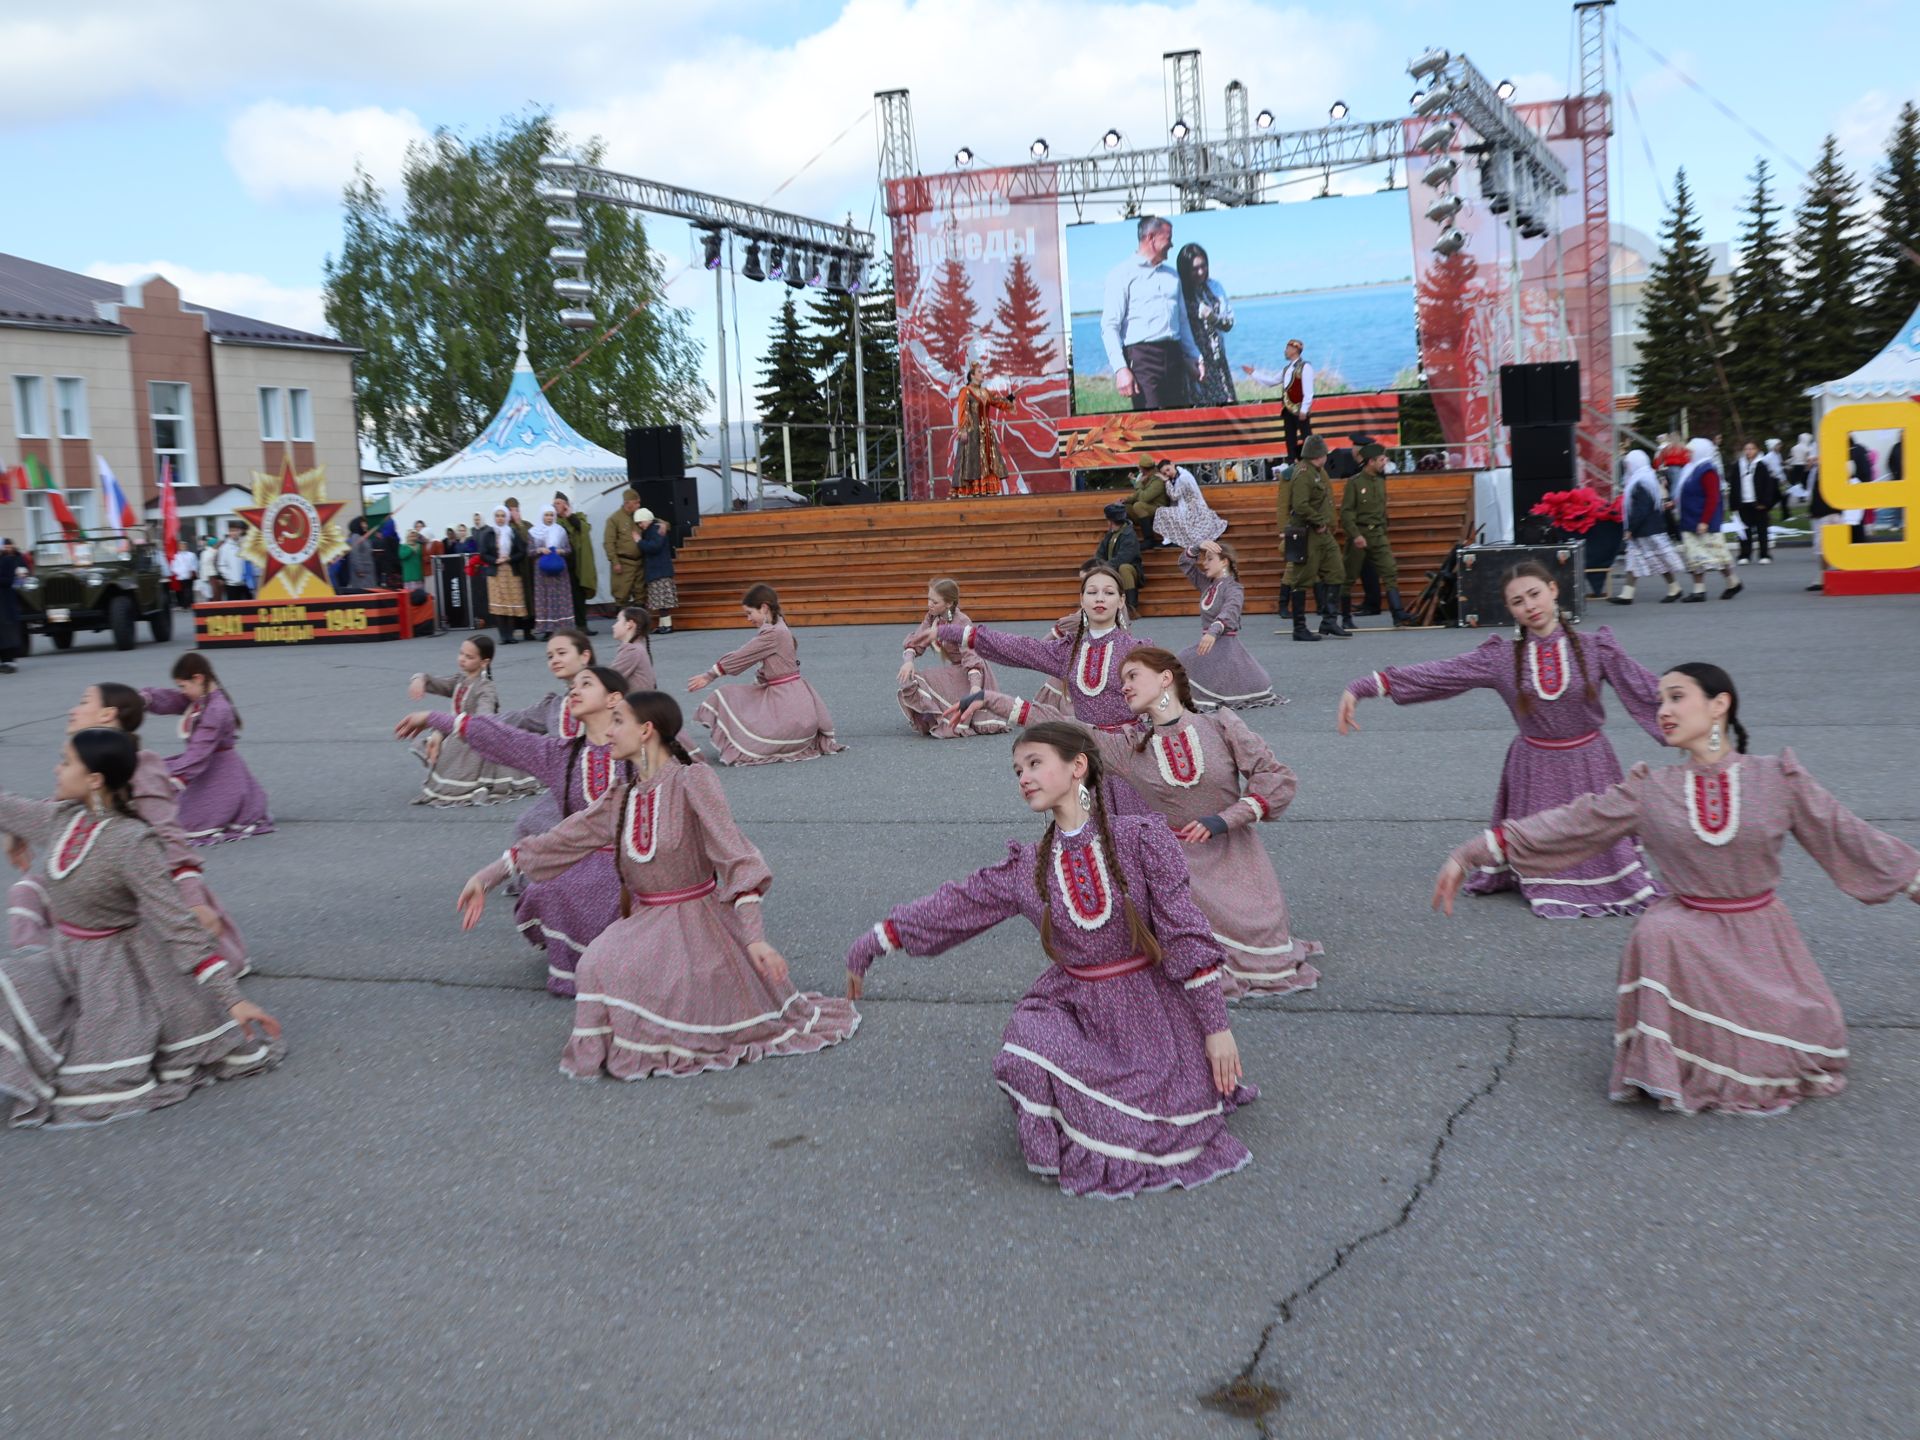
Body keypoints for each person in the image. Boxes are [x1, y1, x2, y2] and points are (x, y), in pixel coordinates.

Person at [1434, 662, 1920, 1116]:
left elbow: (1845, 833)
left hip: (1761, 936)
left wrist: (1912, 880)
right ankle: (1673, 1054)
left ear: (1719, 704)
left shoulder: (1777, 778)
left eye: (1676, 697)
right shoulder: (1651, 788)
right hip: (1688, 932)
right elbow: (1572, 823)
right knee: (1660, 930)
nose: (1662, 710)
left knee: (1801, 1040)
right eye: (1658, 700)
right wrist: (1473, 852)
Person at [844, 720, 1253, 1198]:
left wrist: (1217, 1030)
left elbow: (1185, 935)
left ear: (1078, 765)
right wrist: (875, 940)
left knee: (1156, 1118)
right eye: (1017, 770)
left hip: (1150, 1014)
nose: (1023, 777)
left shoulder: (1140, 839)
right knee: (1022, 1050)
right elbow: (957, 906)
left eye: (1035, 763)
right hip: (1076, 1004)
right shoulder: (1028, 866)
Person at [456, 690, 860, 1079]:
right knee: (597, 963)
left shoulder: (692, 781)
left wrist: (754, 937)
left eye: (618, 722)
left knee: (632, 974)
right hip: (647, 918)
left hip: (699, 922)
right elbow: (556, 842)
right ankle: (635, 1037)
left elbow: (736, 857)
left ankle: (669, 1034)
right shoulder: (622, 797)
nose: (609, 732)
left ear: (646, 730)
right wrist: (486, 877)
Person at [961, 648, 1316, 997]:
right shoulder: (1131, 749)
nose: (1124, 687)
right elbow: (1065, 726)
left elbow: (1274, 776)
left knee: (1264, 948)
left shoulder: (1220, 724)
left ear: (1165, 678)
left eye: (1132, 676)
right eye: (1121, 680)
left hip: (1237, 858)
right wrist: (992, 698)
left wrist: (1227, 818)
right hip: (1177, 871)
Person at [1339, 561, 1665, 918]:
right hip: (1535, 766)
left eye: (1535, 594)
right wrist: (1367, 686)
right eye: (1518, 601)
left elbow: (1646, 689)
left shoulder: (1595, 647)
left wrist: (1699, 723)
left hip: (1591, 763)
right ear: (1510, 609)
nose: (1530, 606)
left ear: (1553, 590)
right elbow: (1443, 673)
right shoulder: (1502, 657)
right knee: (1542, 847)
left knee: (1595, 837)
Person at [0, 728, 281, 1128]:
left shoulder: (133, 843)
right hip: (65, 958)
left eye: (65, 762)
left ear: (95, 779)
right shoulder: (61, 819)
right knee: (8, 982)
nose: (56, 769)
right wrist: (13, 832)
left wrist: (232, 999)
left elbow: (179, 927)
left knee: (100, 1070)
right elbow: (6, 806)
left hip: (118, 973)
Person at [401, 665, 631, 996]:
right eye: (573, 685)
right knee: (546, 890)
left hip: (637, 862)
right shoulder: (561, 755)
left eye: (586, 684)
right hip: (578, 856)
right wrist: (433, 719)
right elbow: (504, 738)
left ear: (614, 699)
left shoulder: (641, 747)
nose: (574, 690)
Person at [8, 683, 250, 969]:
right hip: (98, 884)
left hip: (138, 887)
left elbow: (169, 837)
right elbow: (52, 811)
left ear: (107, 714)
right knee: (27, 890)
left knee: (162, 961)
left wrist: (194, 900)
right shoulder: (85, 761)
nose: (73, 709)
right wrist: (14, 830)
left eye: (84, 702)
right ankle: (38, 967)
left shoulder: (139, 766)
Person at [937, 565, 1154, 813]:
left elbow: (1167, 702)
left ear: (1121, 600)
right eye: (1092, 592)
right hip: (1083, 752)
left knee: (1134, 826)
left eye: (1109, 592)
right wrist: (950, 631)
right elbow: (1019, 648)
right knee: (1087, 826)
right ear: (1082, 599)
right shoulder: (1068, 651)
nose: (1100, 598)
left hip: (1128, 753)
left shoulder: (1138, 651)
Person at [686, 584, 844, 764]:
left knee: (726, 694)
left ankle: (752, 741)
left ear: (764, 608)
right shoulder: (780, 626)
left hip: (789, 706)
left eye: (749, 613)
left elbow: (743, 655)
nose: (748, 619)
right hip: (796, 702)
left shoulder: (773, 634)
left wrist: (710, 675)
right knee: (743, 696)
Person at [139, 653, 272, 845]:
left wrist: (177, 777)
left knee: (190, 820)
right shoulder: (202, 699)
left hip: (219, 771)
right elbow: (172, 700)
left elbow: (200, 752)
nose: (182, 691)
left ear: (198, 678)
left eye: (183, 686)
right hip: (207, 764)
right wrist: (146, 699)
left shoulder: (217, 709)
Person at [404, 636, 539, 807]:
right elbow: (438, 683)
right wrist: (420, 680)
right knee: (446, 744)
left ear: (484, 662)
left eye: (469, 657)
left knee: (456, 752)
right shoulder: (461, 679)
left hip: (476, 739)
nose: (462, 659)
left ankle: (464, 777)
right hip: (457, 732)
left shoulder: (485, 687)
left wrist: (443, 730)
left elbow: (484, 720)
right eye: (461, 653)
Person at [1099, 215, 1203, 411]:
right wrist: (1121, 369)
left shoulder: (1172, 276)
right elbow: (1109, 326)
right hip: (1142, 360)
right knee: (1150, 425)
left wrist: (1195, 356)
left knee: (1180, 422)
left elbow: (1183, 321)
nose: (1172, 244)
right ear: (1151, 238)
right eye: (1168, 238)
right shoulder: (1120, 275)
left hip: (1174, 357)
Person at [897, 579, 1005, 739]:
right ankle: (934, 718)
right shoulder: (932, 617)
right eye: (928, 599)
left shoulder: (961, 622)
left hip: (971, 670)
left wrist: (975, 687)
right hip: (957, 668)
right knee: (915, 678)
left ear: (948, 603)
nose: (929, 604)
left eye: (934, 601)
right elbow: (917, 641)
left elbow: (971, 657)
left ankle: (944, 718)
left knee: (928, 678)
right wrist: (908, 662)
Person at [1175, 541, 1278, 709]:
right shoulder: (1207, 584)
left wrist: (1213, 631)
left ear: (1224, 561)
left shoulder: (1234, 588)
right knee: (1179, 662)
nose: (1204, 563)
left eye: (1209, 559)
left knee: (1184, 661)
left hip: (1225, 646)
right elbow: (1184, 563)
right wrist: (1197, 545)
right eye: (1204, 559)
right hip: (1208, 646)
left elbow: (1230, 612)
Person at [1338, 442, 1415, 628]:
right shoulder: (1355, 483)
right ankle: (1346, 618)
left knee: (1390, 571)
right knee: (1349, 577)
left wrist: (1383, 529)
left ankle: (1398, 614)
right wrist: (1355, 535)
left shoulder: (1381, 481)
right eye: (1381, 459)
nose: (1385, 462)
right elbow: (1346, 513)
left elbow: (1382, 510)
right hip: (1360, 534)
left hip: (1378, 534)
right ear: (1370, 461)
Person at [1280, 436, 1348, 642]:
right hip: (1308, 533)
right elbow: (1300, 505)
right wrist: (1319, 522)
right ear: (1319, 455)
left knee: (1337, 571)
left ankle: (1329, 620)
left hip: (1322, 533)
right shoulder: (1303, 474)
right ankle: (1299, 627)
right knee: (1302, 578)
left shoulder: (1317, 472)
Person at [1608, 450, 1687, 605]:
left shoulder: (1640, 482)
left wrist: (1630, 528)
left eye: (1628, 464)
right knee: (1635, 559)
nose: (1627, 467)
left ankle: (1674, 588)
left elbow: (1641, 509)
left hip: (1647, 530)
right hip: (1648, 528)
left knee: (1657, 559)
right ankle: (1627, 594)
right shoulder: (1645, 478)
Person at [1673, 438, 1740, 601]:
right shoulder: (1691, 468)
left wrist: (1705, 521)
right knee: (1694, 556)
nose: (1687, 454)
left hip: (1703, 521)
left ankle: (1733, 582)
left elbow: (1713, 498)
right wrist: (1673, 503)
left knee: (1716, 555)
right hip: (1690, 519)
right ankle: (1699, 590)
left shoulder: (1707, 470)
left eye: (1690, 451)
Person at [1176, 243, 1236, 407]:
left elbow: (1229, 322)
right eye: (1195, 269)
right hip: (1195, 365)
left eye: (1203, 266)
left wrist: (1213, 318)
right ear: (1185, 270)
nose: (1201, 272)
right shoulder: (1178, 292)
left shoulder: (1214, 287)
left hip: (1218, 362)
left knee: (1228, 409)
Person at [951, 360, 1017, 497]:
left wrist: (1010, 398)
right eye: (980, 372)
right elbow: (962, 411)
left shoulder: (985, 392)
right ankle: (971, 489)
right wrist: (962, 429)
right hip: (972, 432)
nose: (983, 374)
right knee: (972, 461)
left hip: (986, 433)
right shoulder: (966, 391)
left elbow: (998, 402)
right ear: (972, 375)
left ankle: (984, 487)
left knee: (987, 460)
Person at [475, 506, 528, 643]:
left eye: (503, 516)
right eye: (497, 515)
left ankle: (510, 635)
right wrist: (495, 560)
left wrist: (509, 558)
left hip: (511, 571)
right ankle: (502, 636)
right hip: (496, 573)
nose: (500, 518)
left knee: (511, 604)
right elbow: (483, 553)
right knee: (499, 605)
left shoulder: (512, 532)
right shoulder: (489, 533)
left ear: (507, 517)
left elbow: (522, 552)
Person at [1151, 459, 1227, 550]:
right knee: (1164, 512)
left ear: (1172, 464)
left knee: (1161, 512)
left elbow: (1174, 496)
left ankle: (1170, 539)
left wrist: (1166, 481)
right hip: (1187, 507)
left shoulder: (1183, 477)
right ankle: (1169, 539)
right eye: (1164, 473)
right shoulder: (1178, 476)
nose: (1167, 474)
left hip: (1194, 509)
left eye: (1168, 470)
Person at [552, 492, 597, 633]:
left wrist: (569, 516)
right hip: (561, 564)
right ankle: (564, 628)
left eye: (558, 503)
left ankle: (582, 626)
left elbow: (583, 529)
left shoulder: (577, 518)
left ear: (566, 504)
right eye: (554, 504)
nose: (556, 506)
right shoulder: (553, 521)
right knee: (563, 597)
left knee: (579, 596)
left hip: (577, 564)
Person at [528, 505, 573, 639]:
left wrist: (561, 551)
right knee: (545, 598)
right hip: (542, 571)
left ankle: (561, 628)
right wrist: (540, 550)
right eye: (546, 515)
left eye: (551, 515)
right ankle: (547, 629)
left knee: (560, 597)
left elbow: (568, 549)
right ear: (542, 516)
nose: (549, 518)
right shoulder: (533, 532)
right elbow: (529, 551)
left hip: (559, 570)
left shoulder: (560, 531)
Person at [1733, 440, 1779, 566]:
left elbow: (1768, 486)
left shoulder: (1762, 465)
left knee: (1762, 530)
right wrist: (1734, 504)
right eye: (1746, 449)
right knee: (1744, 532)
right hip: (1743, 503)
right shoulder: (1738, 466)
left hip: (1758, 503)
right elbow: (1735, 485)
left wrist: (1765, 502)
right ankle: (1745, 554)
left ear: (1757, 450)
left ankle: (1764, 554)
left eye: (1751, 449)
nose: (1749, 451)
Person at [1092, 503, 1144, 614]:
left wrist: (1105, 566)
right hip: (1112, 568)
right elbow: (1099, 553)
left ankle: (1131, 607)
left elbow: (1124, 557)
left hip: (1130, 570)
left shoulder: (1129, 534)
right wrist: (1098, 564)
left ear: (1111, 521)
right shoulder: (1110, 534)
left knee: (1124, 568)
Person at [603, 492, 646, 608]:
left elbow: (655, 521)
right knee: (621, 595)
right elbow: (609, 543)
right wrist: (615, 562)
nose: (639, 505)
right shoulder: (614, 519)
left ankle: (640, 624)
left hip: (640, 562)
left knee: (640, 595)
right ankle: (622, 623)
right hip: (624, 563)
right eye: (636, 502)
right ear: (627, 503)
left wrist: (663, 524)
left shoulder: (639, 516)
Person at [504, 498, 537, 639]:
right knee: (514, 599)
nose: (513, 513)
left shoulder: (527, 525)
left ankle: (528, 630)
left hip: (528, 568)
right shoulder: (504, 528)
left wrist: (519, 524)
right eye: (510, 510)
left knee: (529, 598)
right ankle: (510, 631)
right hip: (512, 567)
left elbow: (530, 542)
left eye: (515, 509)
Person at [639, 515, 678, 633]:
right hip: (660, 571)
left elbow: (654, 547)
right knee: (661, 601)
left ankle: (667, 626)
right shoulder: (657, 528)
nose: (640, 525)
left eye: (641, 522)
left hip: (659, 571)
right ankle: (663, 625)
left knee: (662, 601)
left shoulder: (655, 530)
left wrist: (639, 541)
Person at [1279, 340, 1315, 464]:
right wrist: (1254, 373)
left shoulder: (1305, 367)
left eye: (1287, 348)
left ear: (1295, 350)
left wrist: (1304, 409)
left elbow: (1308, 390)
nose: (1285, 351)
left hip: (1300, 409)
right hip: (1288, 410)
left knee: (1306, 437)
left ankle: (1311, 461)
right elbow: (1271, 381)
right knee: (1290, 438)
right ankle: (1291, 461)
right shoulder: (1286, 369)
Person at [1125, 464, 1170, 545]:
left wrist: (1139, 483)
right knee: (1125, 507)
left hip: (1159, 509)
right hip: (1148, 510)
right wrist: (1126, 500)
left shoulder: (1157, 481)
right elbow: (1137, 495)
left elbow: (1144, 497)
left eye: (1142, 470)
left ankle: (1149, 539)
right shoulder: (1147, 479)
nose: (1140, 472)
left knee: (1138, 506)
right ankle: (1127, 540)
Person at [0, 538, 23, 673]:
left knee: (7, 632)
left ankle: (10, 662)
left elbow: (10, 580)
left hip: (5, 601)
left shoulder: (7, 560)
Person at [216, 521, 251, 601]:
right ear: (229, 532)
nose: (234, 533)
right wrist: (230, 577)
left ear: (240, 531)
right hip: (232, 584)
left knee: (248, 607)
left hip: (245, 583)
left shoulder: (244, 545)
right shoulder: (224, 548)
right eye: (232, 531)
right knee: (235, 609)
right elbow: (221, 565)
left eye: (236, 530)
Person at [167, 541, 198, 609]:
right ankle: (186, 604)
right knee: (185, 590)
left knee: (189, 589)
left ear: (186, 546)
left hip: (190, 575)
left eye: (184, 545)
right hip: (181, 576)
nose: (183, 547)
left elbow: (195, 564)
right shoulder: (176, 556)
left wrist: (192, 570)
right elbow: (173, 567)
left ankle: (190, 603)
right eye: (181, 546)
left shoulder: (191, 554)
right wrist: (180, 572)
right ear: (179, 547)